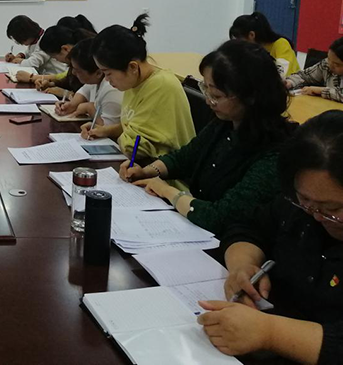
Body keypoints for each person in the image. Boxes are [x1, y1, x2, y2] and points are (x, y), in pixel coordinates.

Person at [197, 111, 343, 364]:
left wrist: (270, 333)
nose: (317, 216)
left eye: (332, 208)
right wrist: (242, 266)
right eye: (305, 200)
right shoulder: (298, 209)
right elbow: (247, 227)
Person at [122, 40, 294, 234]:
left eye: (217, 96)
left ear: (251, 97)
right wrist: (147, 171)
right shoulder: (225, 123)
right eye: (206, 89)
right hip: (197, 228)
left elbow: (221, 217)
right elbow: (185, 158)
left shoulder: (274, 153)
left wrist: (167, 191)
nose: (208, 101)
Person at [86, 14, 195, 159]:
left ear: (132, 67)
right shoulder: (135, 81)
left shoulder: (161, 86)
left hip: (162, 168)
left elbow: (133, 147)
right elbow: (131, 126)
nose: (106, 79)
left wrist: (121, 137)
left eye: (108, 73)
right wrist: (106, 130)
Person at [55, 38, 122, 125]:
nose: (73, 73)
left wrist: (89, 108)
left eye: (78, 70)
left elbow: (108, 128)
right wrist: (72, 104)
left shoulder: (112, 88)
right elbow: (84, 91)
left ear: (98, 72)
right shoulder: (95, 79)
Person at [229, 12, 299, 76]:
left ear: (251, 35)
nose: (239, 44)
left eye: (240, 40)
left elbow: (282, 74)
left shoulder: (281, 44)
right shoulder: (253, 49)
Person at [285, 36, 343, 102]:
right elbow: (304, 76)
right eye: (329, 58)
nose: (330, 65)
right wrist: (290, 82)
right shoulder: (326, 64)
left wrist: (321, 90)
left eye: (336, 64)